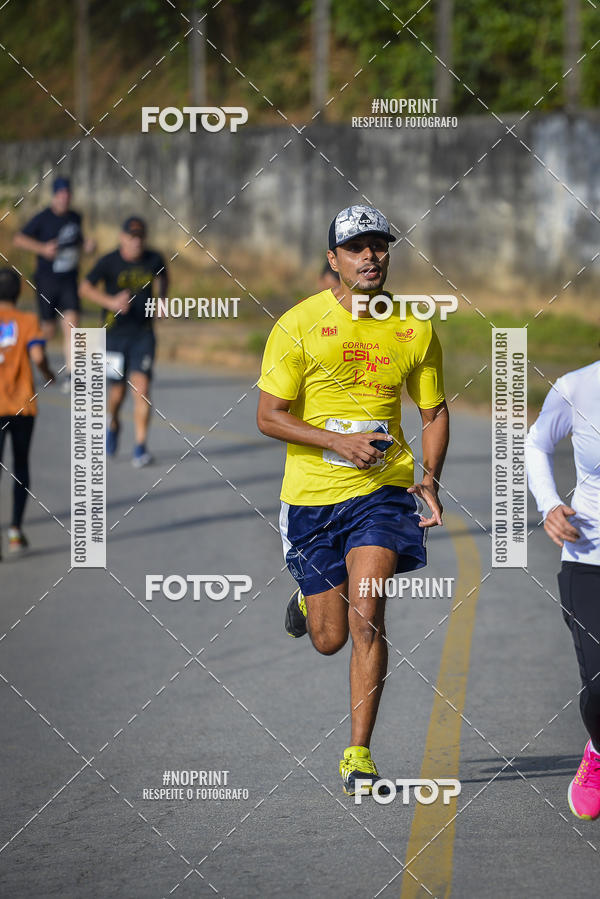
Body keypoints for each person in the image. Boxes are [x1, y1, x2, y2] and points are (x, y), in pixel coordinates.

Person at [257, 204, 448, 794]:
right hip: (312, 499)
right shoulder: (298, 324)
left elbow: (433, 410)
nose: (370, 255)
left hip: (382, 494)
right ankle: (307, 597)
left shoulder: (413, 326)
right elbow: (269, 416)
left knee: (370, 616)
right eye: (356, 247)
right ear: (333, 260)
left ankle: (358, 752)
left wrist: (430, 478)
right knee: (329, 638)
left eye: (380, 245)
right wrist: (337, 440)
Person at [527, 360, 600, 820]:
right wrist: (551, 503)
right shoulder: (578, 386)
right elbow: (536, 443)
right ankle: (598, 750)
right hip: (590, 558)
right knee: (599, 684)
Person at [79, 216, 168, 468]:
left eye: (140, 237)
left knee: (142, 390)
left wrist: (162, 299)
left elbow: (164, 277)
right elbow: (84, 288)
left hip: (143, 334)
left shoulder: (154, 259)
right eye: (132, 237)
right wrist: (111, 302)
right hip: (113, 335)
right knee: (116, 394)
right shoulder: (108, 262)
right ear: (122, 238)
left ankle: (140, 447)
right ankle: (113, 422)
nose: (136, 242)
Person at [13, 176, 95, 392]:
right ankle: (22, 360)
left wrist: (87, 245)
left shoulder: (76, 217)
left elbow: (77, 239)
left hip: (69, 279)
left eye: (68, 196)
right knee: (47, 331)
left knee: (73, 327)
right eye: (61, 196)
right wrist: (41, 249)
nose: (64, 200)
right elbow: (18, 239)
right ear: (54, 196)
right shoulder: (42, 218)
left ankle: (71, 375)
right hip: (47, 280)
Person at [0, 268, 55, 557]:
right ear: (19, 292)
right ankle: (15, 531)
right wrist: (48, 374)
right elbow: (37, 356)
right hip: (22, 405)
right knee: (20, 467)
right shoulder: (28, 321)